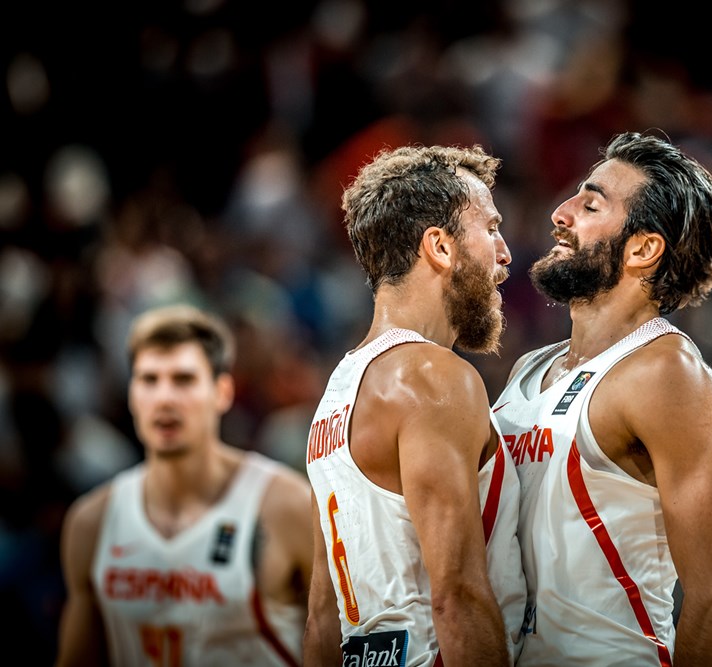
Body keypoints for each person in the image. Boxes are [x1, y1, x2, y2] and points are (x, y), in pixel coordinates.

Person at [493, 130, 712, 665]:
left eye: (590, 205)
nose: (560, 214)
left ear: (644, 248)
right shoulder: (527, 370)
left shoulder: (667, 373)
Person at [303, 144, 526, 666]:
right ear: (440, 247)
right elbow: (457, 595)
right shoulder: (432, 377)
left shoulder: (337, 393)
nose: (505, 254)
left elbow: (320, 618)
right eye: (491, 229)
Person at [55, 304, 314, 666]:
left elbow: (340, 642)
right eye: (149, 380)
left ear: (222, 392)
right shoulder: (92, 522)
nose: (164, 398)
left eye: (183, 380)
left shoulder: (287, 506)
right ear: (131, 394)